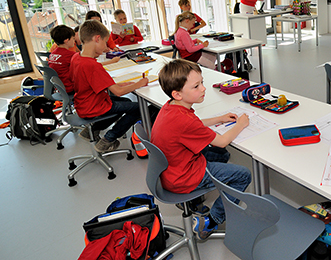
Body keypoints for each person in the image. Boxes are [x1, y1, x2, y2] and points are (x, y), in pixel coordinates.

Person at [151, 59, 251, 240]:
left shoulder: (171, 107)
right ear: (178, 94)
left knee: (222, 155)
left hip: (170, 171)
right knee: (243, 174)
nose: (204, 88)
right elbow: (221, 141)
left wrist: (219, 119)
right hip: (183, 177)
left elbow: (193, 126)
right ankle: (212, 219)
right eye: (197, 86)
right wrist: (241, 124)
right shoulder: (184, 119)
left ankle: (194, 200)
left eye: (202, 83)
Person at [69, 20, 148, 152]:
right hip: (95, 106)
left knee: (126, 103)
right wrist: (139, 84)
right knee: (139, 108)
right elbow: (118, 92)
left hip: (83, 103)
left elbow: (90, 83)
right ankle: (108, 139)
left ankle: (91, 131)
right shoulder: (93, 65)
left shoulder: (76, 57)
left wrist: (117, 84)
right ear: (97, 38)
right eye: (105, 42)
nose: (106, 46)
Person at [48, 25, 77, 93]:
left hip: (59, 88)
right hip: (70, 88)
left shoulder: (52, 54)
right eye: (73, 38)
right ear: (66, 41)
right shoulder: (71, 55)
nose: (74, 40)